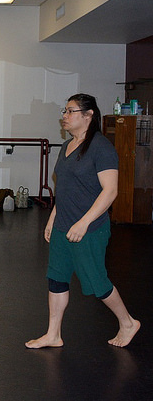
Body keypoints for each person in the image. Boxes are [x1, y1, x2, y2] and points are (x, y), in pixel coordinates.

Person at [25, 94, 140, 349]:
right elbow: (64, 188)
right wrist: (52, 218)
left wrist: (84, 223)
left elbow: (110, 191)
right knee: (57, 278)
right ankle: (53, 334)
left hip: (89, 229)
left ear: (88, 115)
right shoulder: (66, 147)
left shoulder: (101, 148)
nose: (64, 116)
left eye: (70, 111)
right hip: (63, 226)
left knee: (97, 282)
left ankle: (128, 322)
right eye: (64, 111)